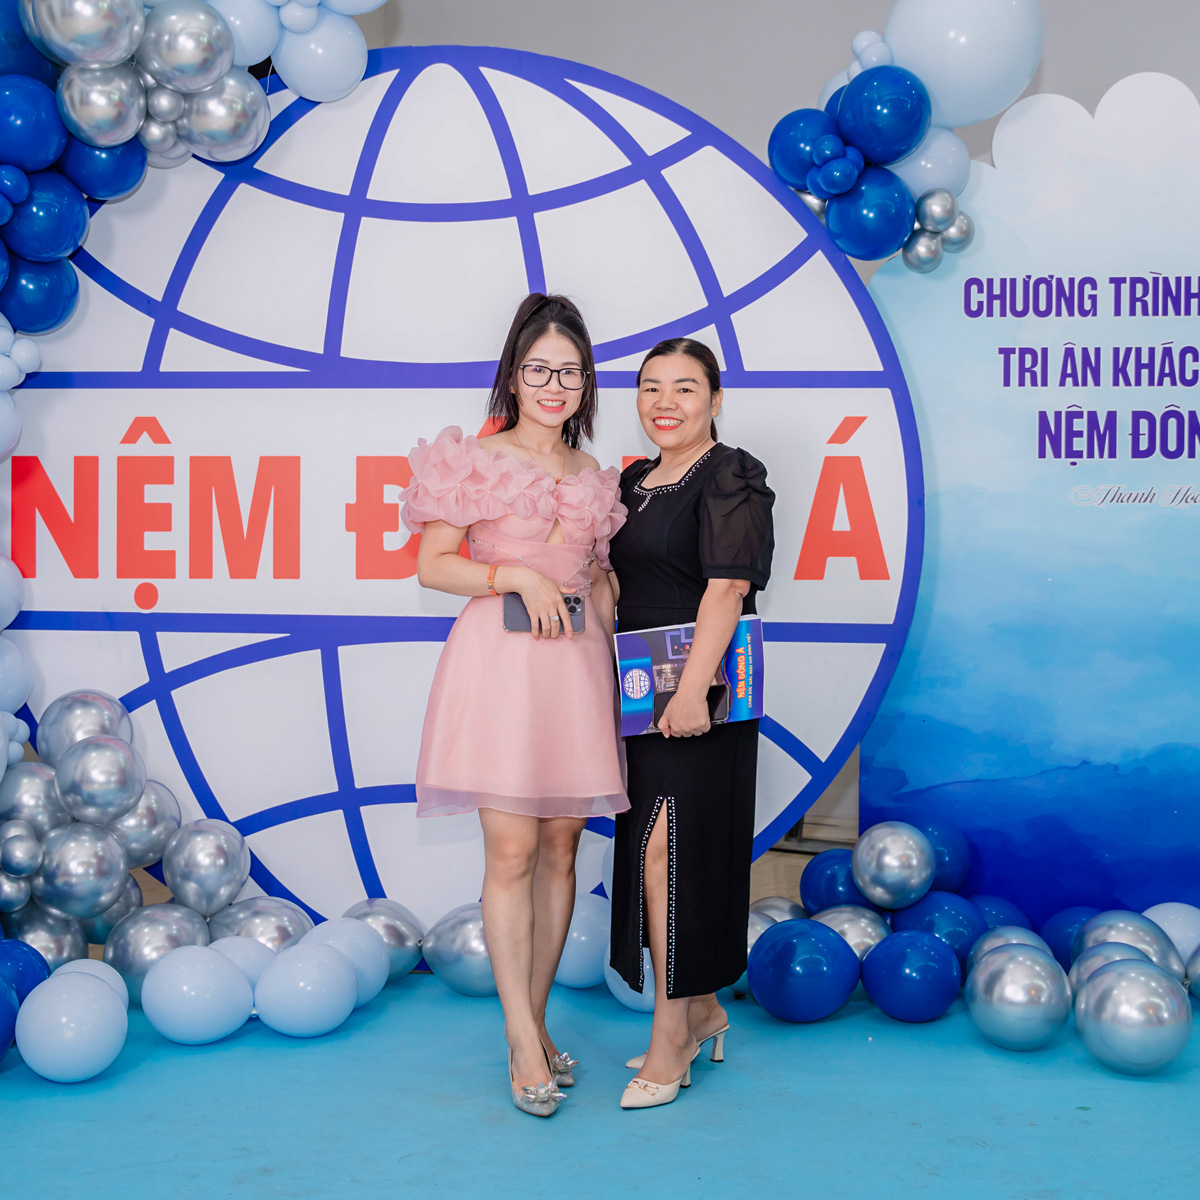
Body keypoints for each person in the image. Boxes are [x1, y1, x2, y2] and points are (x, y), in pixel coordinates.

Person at [400, 294, 629, 1117]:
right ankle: (522, 1041)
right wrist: (515, 576)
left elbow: (600, 578)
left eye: (570, 372)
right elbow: (433, 565)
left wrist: (624, 636)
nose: (554, 386)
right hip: (500, 664)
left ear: (587, 382)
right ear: (512, 374)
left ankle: (532, 1025)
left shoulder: (594, 476)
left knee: (562, 851)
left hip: (575, 668)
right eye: (539, 370)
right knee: (511, 852)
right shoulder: (474, 458)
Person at [607, 337, 775, 1110]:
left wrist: (693, 689)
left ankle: (670, 1037)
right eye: (651, 387)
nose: (664, 402)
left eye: (684, 387)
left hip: (697, 698)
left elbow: (727, 588)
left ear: (714, 398)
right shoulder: (632, 482)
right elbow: (614, 583)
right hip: (638, 695)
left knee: (668, 856)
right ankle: (702, 1008)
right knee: (651, 851)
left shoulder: (731, 473)